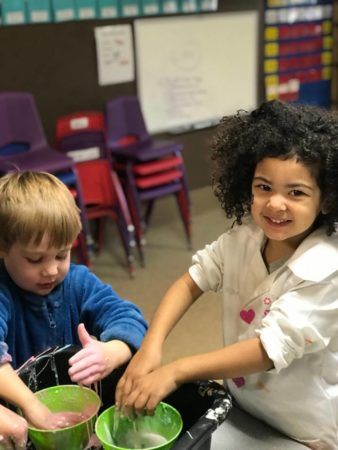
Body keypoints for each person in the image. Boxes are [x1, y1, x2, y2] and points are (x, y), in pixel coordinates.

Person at [115, 100, 338, 450]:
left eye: (296, 192)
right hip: (243, 405)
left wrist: (177, 369)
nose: (276, 204)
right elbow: (191, 281)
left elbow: (268, 349)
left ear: (326, 200)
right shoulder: (244, 237)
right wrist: (151, 345)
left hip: (301, 429)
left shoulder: (328, 270)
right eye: (264, 187)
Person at [0, 171, 147, 446]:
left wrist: (110, 352)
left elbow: (130, 318)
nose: (52, 270)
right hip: (13, 413)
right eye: (35, 259)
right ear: (2, 248)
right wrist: (31, 406)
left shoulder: (78, 282)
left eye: (62, 254)